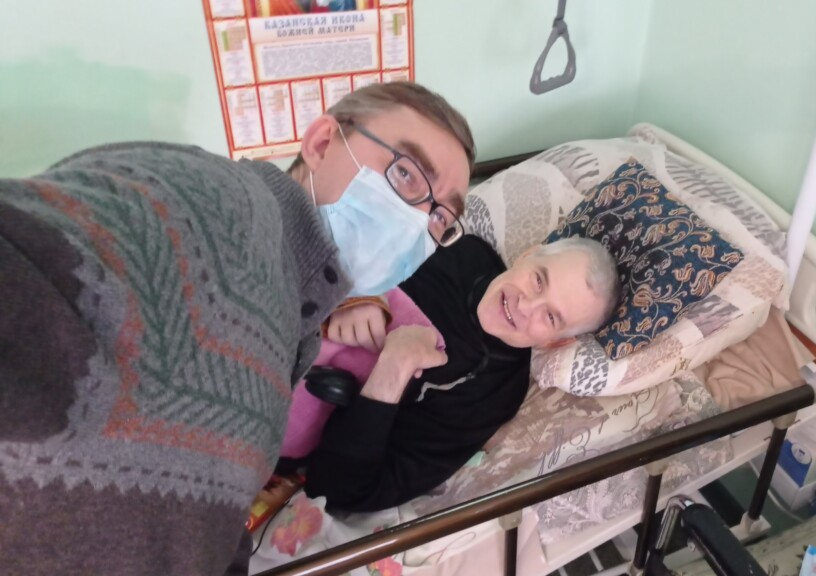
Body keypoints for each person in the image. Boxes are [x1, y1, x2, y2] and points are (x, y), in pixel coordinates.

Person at [0, 81, 473, 576]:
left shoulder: (298, 324)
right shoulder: (214, 198)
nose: (417, 221)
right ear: (321, 144)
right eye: (406, 174)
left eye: (441, 217)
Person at [301, 234, 622, 512]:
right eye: (538, 280)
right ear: (528, 254)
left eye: (550, 317)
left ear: (556, 342)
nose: (525, 307)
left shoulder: (495, 395)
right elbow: (331, 239)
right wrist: (358, 293)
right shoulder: (461, 250)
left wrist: (393, 369)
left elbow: (338, 490)